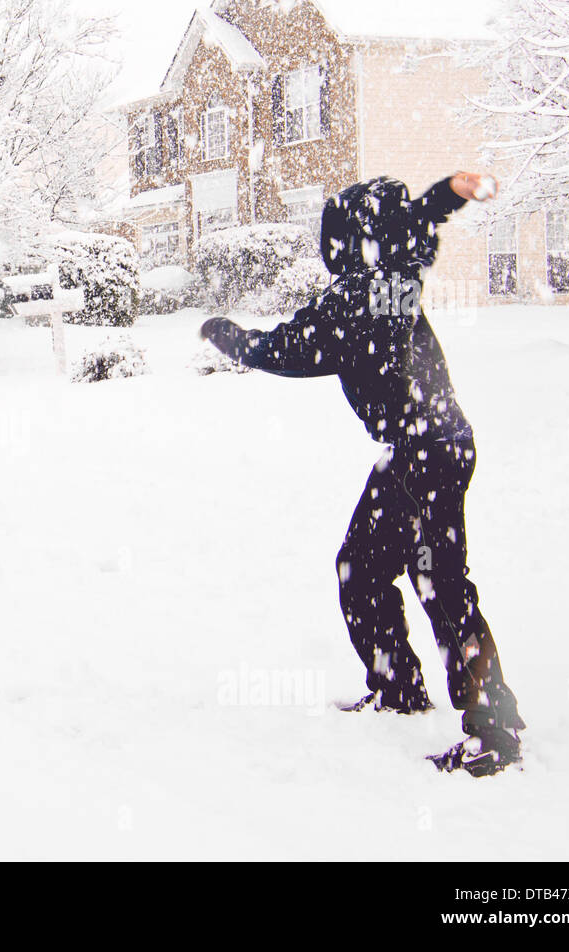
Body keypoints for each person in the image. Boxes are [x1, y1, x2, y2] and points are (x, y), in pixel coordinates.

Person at [200, 172, 524, 777]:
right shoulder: (398, 280)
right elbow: (417, 223)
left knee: (440, 583)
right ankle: (397, 688)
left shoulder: (351, 300)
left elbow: (285, 351)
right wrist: (450, 192)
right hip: (430, 448)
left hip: (423, 452)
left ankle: (494, 731)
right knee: (363, 567)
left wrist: (229, 337)